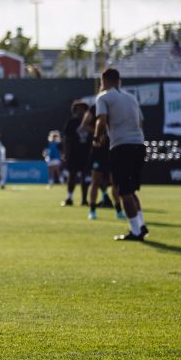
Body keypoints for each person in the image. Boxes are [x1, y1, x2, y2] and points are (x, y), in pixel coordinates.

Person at [94, 68, 148, 241]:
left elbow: (101, 120)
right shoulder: (131, 98)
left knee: (123, 191)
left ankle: (135, 232)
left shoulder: (103, 97)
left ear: (105, 81)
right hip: (138, 145)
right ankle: (141, 225)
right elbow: (140, 122)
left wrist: (97, 137)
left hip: (121, 146)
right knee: (130, 189)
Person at [61, 102, 91, 207]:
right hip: (73, 153)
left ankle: (84, 199)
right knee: (72, 175)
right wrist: (65, 152)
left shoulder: (90, 122)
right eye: (77, 109)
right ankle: (69, 197)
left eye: (82, 109)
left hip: (86, 153)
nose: (80, 111)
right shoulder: (71, 122)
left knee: (85, 176)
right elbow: (66, 138)